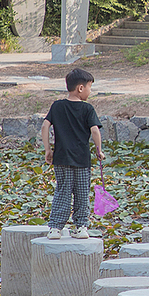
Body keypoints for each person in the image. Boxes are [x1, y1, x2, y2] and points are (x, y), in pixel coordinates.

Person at [41, 68, 104, 239]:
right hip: (82, 159)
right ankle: (81, 226)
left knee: (62, 191)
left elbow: (45, 126)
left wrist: (48, 149)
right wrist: (99, 150)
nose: (90, 91)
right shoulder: (87, 109)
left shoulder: (57, 106)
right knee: (82, 192)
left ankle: (55, 229)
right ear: (81, 88)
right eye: (90, 87)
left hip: (61, 158)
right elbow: (95, 131)